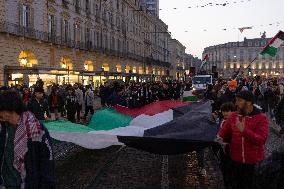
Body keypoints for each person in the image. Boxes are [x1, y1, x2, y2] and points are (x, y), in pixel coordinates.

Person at [0, 90, 55, 188]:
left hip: (27, 184)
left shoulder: (37, 130)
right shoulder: (3, 129)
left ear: (10, 110)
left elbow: (47, 163)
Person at [217, 90, 269, 189]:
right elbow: (222, 134)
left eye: (239, 100)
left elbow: (261, 140)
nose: (236, 103)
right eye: (236, 100)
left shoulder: (261, 118)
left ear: (249, 102)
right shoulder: (233, 116)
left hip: (253, 163)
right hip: (236, 162)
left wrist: (244, 131)